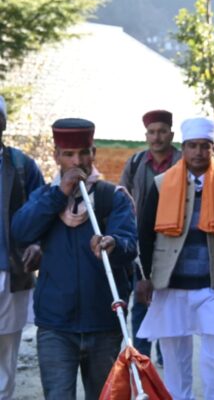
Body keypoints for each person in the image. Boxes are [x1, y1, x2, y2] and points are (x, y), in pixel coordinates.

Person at [11, 118, 138, 400]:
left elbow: (130, 245)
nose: (77, 161)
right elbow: (20, 231)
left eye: (83, 153)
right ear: (56, 156)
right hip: (55, 325)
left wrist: (113, 244)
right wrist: (59, 194)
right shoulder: (45, 196)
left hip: (103, 323)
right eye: (68, 154)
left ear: (94, 153)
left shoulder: (112, 197)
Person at [136, 117, 214, 400]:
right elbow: (144, 233)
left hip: (213, 283)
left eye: (205, 146)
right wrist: (143, 277)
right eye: (192, 146)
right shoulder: (162, 184)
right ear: (183, 147)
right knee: (174, 359)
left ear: (213, 148)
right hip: (170, 284)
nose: (198, 152)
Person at [119, 109, 181, 362]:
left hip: (175, 242)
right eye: (152, 132)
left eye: (162, 131)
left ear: (171, 135)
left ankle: (166, 356)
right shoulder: (135, 163)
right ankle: (141, 356)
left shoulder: (182, 162)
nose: (157, 137)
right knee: (142, 300)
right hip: (141, 243)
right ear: (146, 135)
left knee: (169, 300)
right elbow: (122, 199)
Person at [0, 96, 45, 399]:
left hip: (12, 271)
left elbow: (43, 211)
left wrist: (38, 245)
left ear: (3, 123)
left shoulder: (21, 165)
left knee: (6, 351)